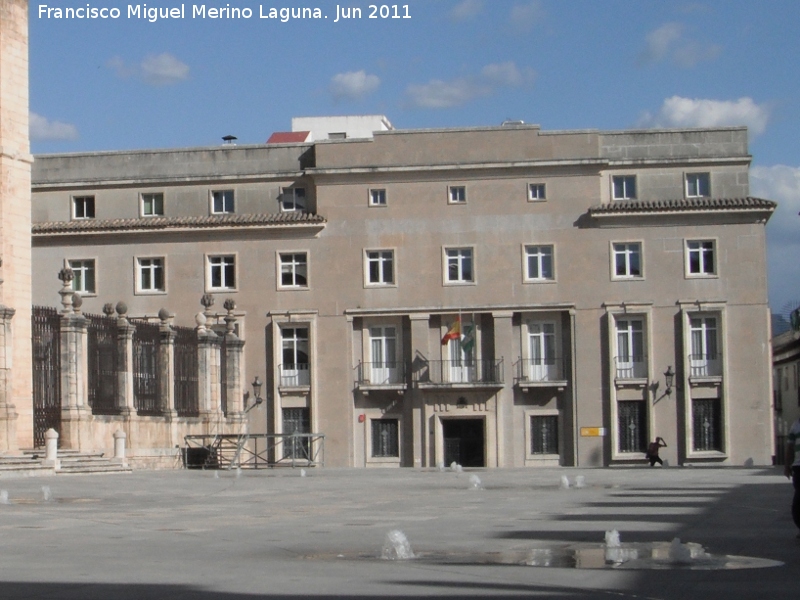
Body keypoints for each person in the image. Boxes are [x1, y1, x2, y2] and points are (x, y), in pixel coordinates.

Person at [784, 417, 800, 538]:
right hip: (799, 467)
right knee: (798, 501)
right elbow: (790, 447)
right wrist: (787, 466)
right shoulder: (795, 425)